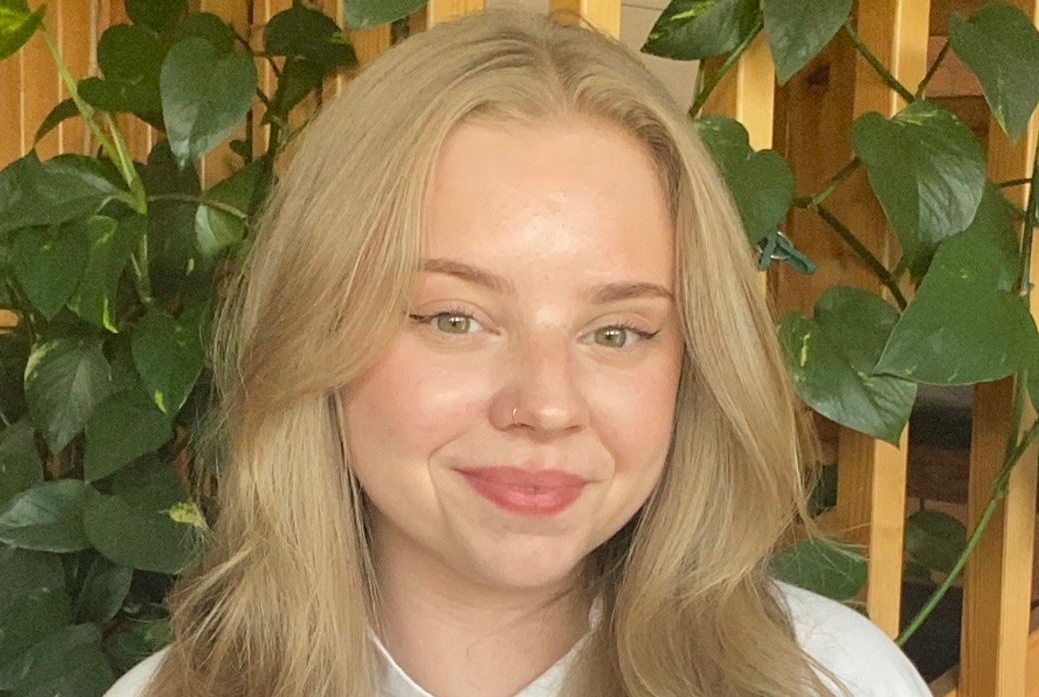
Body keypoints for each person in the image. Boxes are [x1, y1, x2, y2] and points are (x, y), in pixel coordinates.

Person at [104, 6, 934, 697]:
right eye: (454, 319)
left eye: (616, 332)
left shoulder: (837, 682)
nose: (545, 404)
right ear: (314, 330)